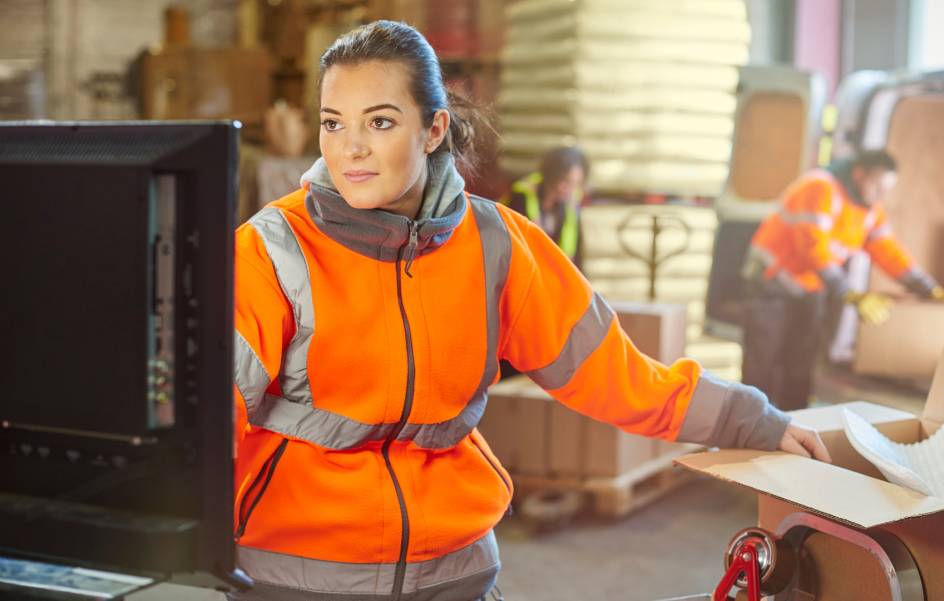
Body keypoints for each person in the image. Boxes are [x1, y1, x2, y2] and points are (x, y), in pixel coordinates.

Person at [232, 20, 829, 601]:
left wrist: (752, 421)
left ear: (434, 128)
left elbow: (614, 374)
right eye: (332, 124)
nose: (351, 148)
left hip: (455, 573)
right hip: (298, 579)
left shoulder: (497, 245)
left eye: (380, 122)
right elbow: (208, 422)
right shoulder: (273, 249)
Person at [741, 150, 944, 411]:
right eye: (877, 186)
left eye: (886, 189)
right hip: (771, 282)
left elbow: (888, 251)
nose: (880, 195)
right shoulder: (819, 188)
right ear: (859, 174)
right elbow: (812, 248)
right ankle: (748, 428)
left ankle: (792, 426)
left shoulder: (869, 211)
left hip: (809, 287)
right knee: (761, 362)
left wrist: (927, 288)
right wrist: (850, 294)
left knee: (801, 363)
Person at [501, 146, 588, 270]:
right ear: (551, 175)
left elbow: (577, 254)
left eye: (576, 184)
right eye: (565, 181)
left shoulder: (571, 204)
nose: (570, 189)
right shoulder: (521, 197)